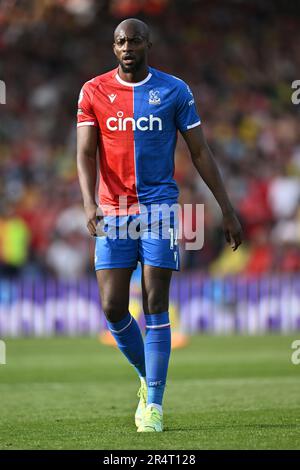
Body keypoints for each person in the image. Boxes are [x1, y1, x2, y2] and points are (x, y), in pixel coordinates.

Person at [76, 18, 242, 432]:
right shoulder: (93, 91)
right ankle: (144, 375)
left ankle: (154, 404)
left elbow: (201, 152)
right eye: (119, 41)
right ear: (113, 48)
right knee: (113, 308)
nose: (126, 46)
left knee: (155, 303)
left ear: (148, 44)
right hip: (113, 211)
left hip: (160, 211)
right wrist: (88, 203)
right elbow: (84, 154)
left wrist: (226, 208)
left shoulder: (174, 90)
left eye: (134, 40)